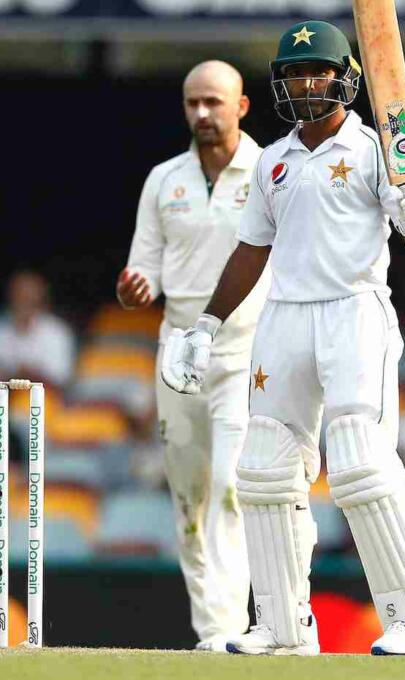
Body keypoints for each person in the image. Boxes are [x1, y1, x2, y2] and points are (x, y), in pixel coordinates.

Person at [161, 21, 405, 655]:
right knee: (263, 469)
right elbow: (250, 249)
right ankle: (283, 627)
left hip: (354, 311)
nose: (303, 82)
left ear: (344, 76)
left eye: (315, 70)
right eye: (292, 73)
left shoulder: (376, 149)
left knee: (360, 463)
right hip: (284, 315)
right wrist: (205, 325)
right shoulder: (273, 159)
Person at [118, 61, 267, 652]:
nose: (202, 114)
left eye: (213, 102)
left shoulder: (268, 170)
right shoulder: (164, 179)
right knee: (189, 498)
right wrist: (135, 289)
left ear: (242, 106)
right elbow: (144, 269)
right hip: (178, 350)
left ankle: (233, 631)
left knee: (233, 485)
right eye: (192, 104)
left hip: (246, 348)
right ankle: (212, 632)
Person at [0, 271, 75, 388]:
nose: (23, 301)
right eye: (19, 295)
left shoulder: (57, 331)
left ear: (40, 299)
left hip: (45, 397)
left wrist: (27, 374)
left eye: (28, 297)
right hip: (3, 394)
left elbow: (61, 377)